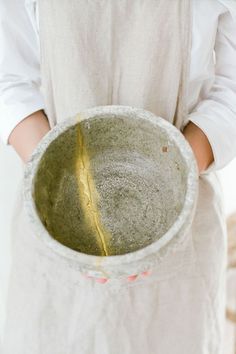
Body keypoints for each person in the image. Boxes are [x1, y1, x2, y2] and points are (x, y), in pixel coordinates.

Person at [0, 0, 236, 353]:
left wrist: (175, 178)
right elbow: (10, 79)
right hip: (53, 233)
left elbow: (230, 90)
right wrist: (60, 202)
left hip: (182, 235)